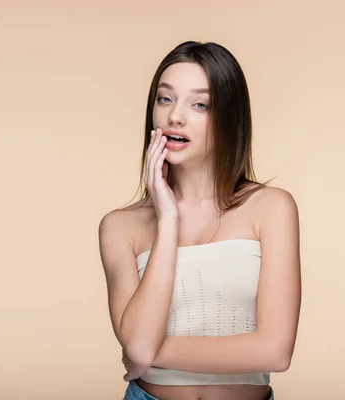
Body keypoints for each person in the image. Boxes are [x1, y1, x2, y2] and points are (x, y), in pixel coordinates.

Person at [98, 41, 302, 400]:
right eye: (165, 99)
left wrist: (149, 352)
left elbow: (275, 351)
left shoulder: (272, 208)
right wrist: (167, 219)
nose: (175, 116)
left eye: (199, 104)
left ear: (229, 119)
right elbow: (136, 343)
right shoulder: (120, 227)